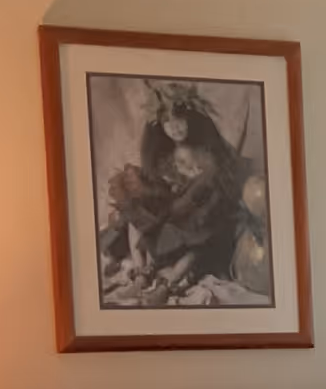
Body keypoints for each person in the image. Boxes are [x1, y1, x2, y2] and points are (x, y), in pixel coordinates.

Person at [100, 83, 262, 303]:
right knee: (134, 212)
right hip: (170, 212)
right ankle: (141, 275)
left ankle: (167, 285)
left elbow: (213, 187)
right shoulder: (164, 155)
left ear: (191, 120)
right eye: (168, 123)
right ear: (160, 126)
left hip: (195, 216)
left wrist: (192, 188)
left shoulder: (206, 151)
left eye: (179, 121)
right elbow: (160, 189)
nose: (174, 128)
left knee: (199, 240)